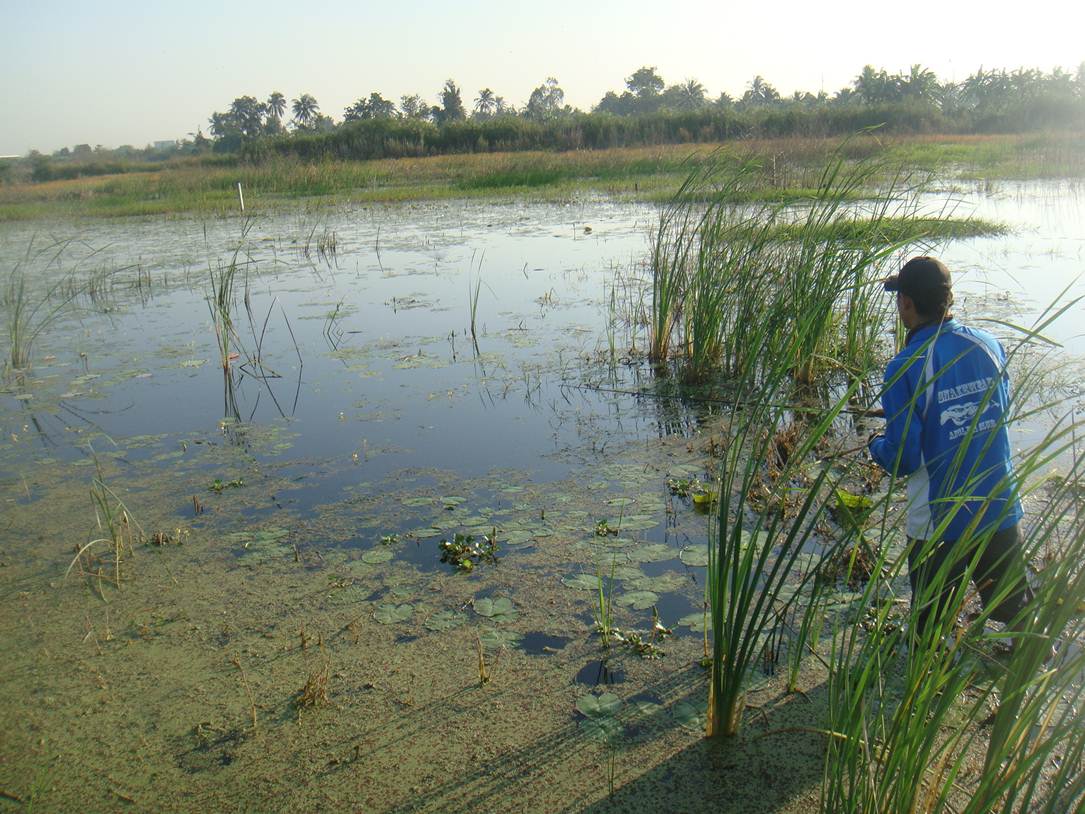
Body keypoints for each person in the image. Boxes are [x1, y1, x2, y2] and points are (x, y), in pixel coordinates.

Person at [866, 256, 1032, 644]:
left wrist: (876, 447)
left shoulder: (905, 366)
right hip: (998, 502)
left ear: (906, 303)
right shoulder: (988, 345)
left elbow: (904, 458)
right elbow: (995, 410)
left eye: (899, 299)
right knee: (1018, 614)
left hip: (938, 519)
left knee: (929, 631)